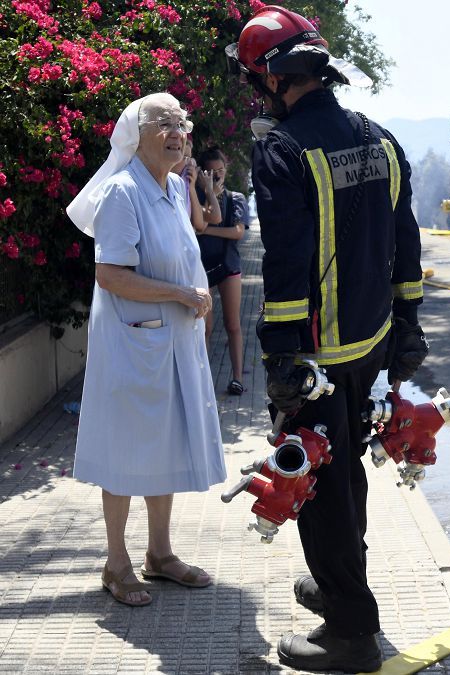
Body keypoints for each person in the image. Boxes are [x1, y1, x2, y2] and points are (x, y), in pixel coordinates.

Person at [227, 6, 428, 671]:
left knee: (313, 482)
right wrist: (409, 326)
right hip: (371, 344)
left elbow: (284, 265)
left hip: (314, 356)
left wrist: (281, 359)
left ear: (272, 79)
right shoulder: (380, 139)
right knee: (342, 474)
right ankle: (343, 583)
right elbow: (406, 242)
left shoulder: (284, 151)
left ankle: (349, 629)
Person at [65, 93, 227, 605]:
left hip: (175, 339)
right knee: (126, 447)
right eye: (165, 123)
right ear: (136, 135)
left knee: (167, 441)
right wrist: (182, 295)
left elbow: (184, 256)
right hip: (133, 344)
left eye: (182, 122)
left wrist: (198, 305)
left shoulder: (177, 190)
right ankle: (116, 562)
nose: (178, 131)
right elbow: (111, 274)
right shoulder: (121, 191)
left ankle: (160, 553)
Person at [195, 146, 249, 395]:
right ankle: (204, 379)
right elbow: (200, 219)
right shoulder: (196, 196)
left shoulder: (236, 198)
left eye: (220, 170)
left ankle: (237, 377)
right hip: (202, 266)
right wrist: (208, 193)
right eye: (211, 172)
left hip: (228, 264)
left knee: (233, 324)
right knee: (205, 327)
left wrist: (205, 230)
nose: (217, 176)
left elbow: (237, 232)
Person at [170, 134, 220, 233]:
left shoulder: (185, 185)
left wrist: (193, 187)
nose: (188, 163)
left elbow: (211, 219)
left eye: (189, 158)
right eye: (185, 157)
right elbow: (203, 224)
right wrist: (209, 191)